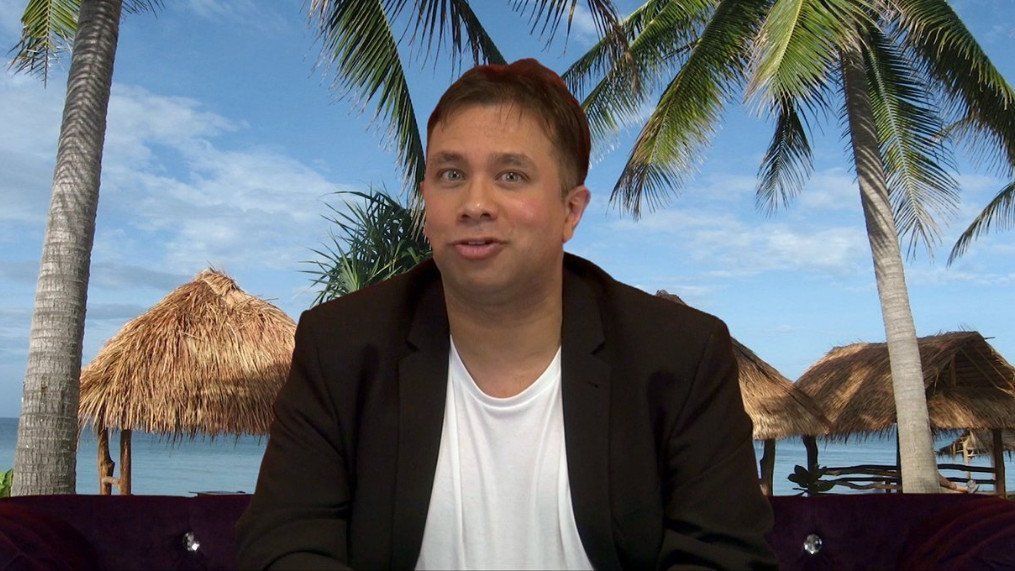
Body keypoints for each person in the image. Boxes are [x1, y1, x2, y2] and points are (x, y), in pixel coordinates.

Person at [235, 58, 776, 570]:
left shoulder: (679, 356)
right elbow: (283, 545)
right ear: (426, 202)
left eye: (511, 175)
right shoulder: (342, 347)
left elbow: (724, 556)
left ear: (571, 211)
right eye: (451, 175)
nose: (475, 203)